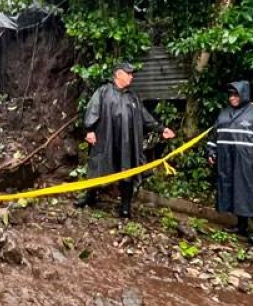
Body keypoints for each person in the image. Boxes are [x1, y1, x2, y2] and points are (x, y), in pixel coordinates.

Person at [74, 62, 176, 218]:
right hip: (106, 138)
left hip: (126, 142)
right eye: (129, 74)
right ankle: (90, 197)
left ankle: (126, 206)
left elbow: (145, 117)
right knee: (99, 166)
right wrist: (89, 130)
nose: (132, 77)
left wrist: (162, 129)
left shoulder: (132, 97)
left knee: (127, 170)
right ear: (119, 74)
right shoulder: (103, 92)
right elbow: (92, 110)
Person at [206, 80, 253, 246]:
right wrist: (211, 152)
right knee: (233, 191)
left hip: (249, 164)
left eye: (236, 94)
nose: (232, 98)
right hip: (227, 161)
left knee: (251, 192)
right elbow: (214, 136)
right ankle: (241, 224)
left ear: (243, 95)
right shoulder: (224, 114)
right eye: (230, 95)